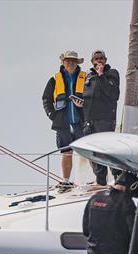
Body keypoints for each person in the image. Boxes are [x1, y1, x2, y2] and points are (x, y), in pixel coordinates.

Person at [42, 50, 87, 192]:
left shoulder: (86, 78)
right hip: (63, 121)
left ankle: (98, 180)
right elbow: (46, 99)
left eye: (73, 61)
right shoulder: (55, 79)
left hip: (81, 121)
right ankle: (66, 182)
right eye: (68, 61)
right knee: (66, 152)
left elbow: (92, 98)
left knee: (89, 150)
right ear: (63, 62)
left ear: (77, 63)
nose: (70, 63)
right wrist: (52, 115)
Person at [82, 49, 121, 185]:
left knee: (107, 150)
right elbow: (87, 96)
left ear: (105, 59)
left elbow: (113, 94)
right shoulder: (88, 77)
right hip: (89, 120)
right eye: (96, 58)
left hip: (105, 119)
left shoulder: (112, 73)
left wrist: (101, 75)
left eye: (101, 58)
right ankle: (100, 181)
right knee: (94, 152)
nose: (99, 60)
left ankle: (119, 179)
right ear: (92, 61)